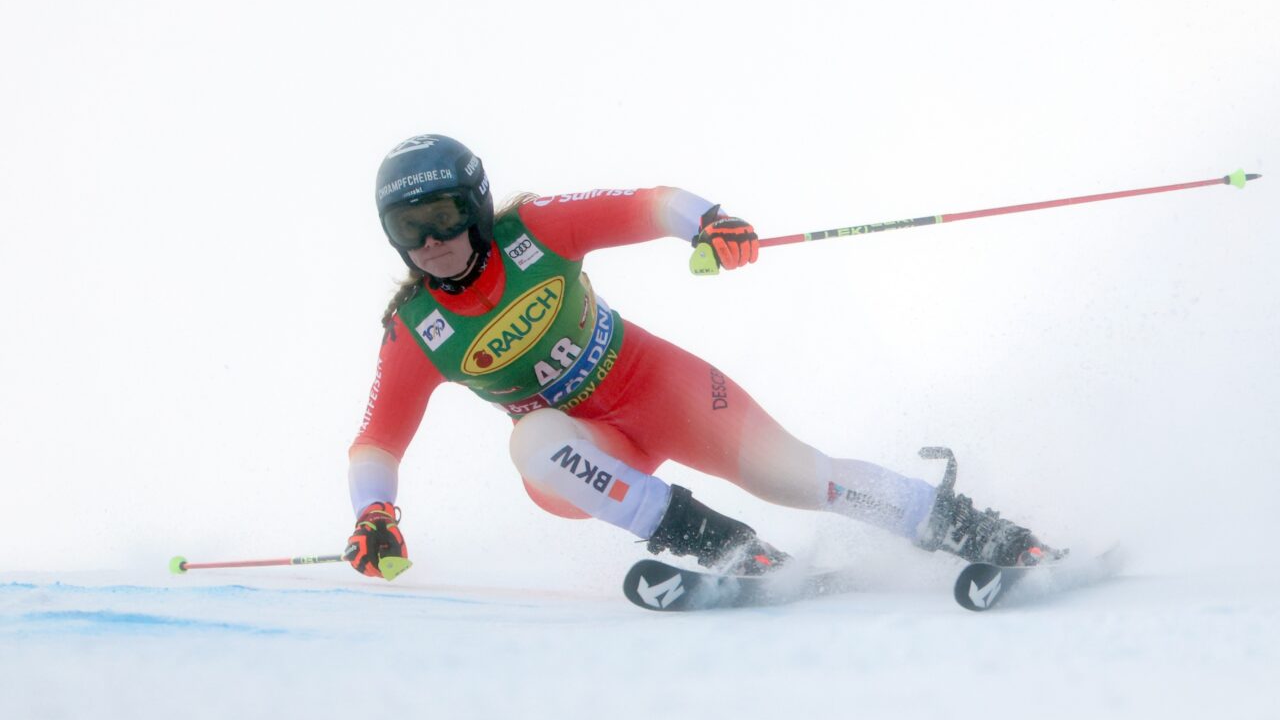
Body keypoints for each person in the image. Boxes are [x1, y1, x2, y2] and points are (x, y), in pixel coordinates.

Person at [343, 134, 1055, 582]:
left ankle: (971, 528)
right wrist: (374, 515)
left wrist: (708, 223)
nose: (430, 240)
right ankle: (717, 544)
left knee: (801, 476)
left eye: (441, 216)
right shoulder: (418, 328)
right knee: (531, 439)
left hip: (658, 387)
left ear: (474, 206)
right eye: (409, 226)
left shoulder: (532, 232)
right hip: (589, 455)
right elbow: (378, 438)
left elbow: (647, 203)